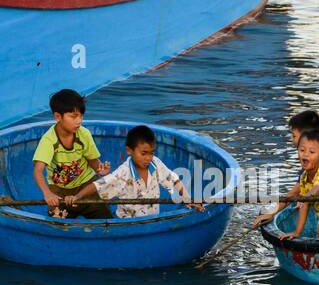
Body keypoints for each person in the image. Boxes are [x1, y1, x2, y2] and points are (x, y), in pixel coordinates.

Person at [65, 125, 204, 218]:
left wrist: (187, 199)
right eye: (144, 153)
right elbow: (98, 185)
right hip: (128, 225)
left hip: (152, 222)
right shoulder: (123, 172)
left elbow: (173, 179)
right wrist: (76, 197)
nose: (148, 158)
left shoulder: (155, 163)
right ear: (129, 151)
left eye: (151, 153)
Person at [32, 89, 111, 218]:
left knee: (104, 220)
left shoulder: (84, 134)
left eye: (81, 116)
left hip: (86, 186)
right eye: (73, 116)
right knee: (57, 225)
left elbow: (92, 161)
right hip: (59, 190)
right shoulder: (49, 140)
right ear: (58, 117)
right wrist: (48, 194)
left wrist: (101, 170)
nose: (79, 121)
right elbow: (38, 171)